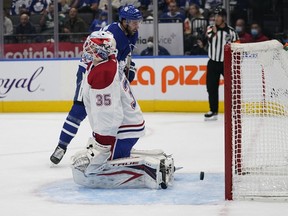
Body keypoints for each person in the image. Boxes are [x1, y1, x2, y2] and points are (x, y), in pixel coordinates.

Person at [71, 31, 174, 189]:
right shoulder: (107, 62)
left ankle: (152, 170)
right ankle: (159, 158)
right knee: (107, 158)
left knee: (95, 169)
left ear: (102, 50)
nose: (88, 50)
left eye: (92, 47)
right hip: (128, 125)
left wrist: (103, 142)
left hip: (123, 129)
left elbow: (110, 114)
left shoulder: (103, 74)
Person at [50, 4, 142, 165]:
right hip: (90, 70)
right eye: (133, 22)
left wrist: (129, 67)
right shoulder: (111, 33)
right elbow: (96, 56)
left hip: (111, 70)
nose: (137, 25)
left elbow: (125, 56)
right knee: (79, 109)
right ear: (124, 21)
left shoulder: (133, 33)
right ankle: (61, 146)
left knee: (115, 109)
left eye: (137, 21)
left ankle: (112, 144)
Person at [204, 7, 239, 120]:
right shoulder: (210, 29)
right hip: (213, 62)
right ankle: (213, 110)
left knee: (231, 87)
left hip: (227, 64)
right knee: (211, 87)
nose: (216, 18)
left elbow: (237, 47)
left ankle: (235, 110)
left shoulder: (232, 32)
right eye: (215, 16)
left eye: (219, 16)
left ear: (223, 17)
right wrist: (214, 33)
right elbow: (207, 40)